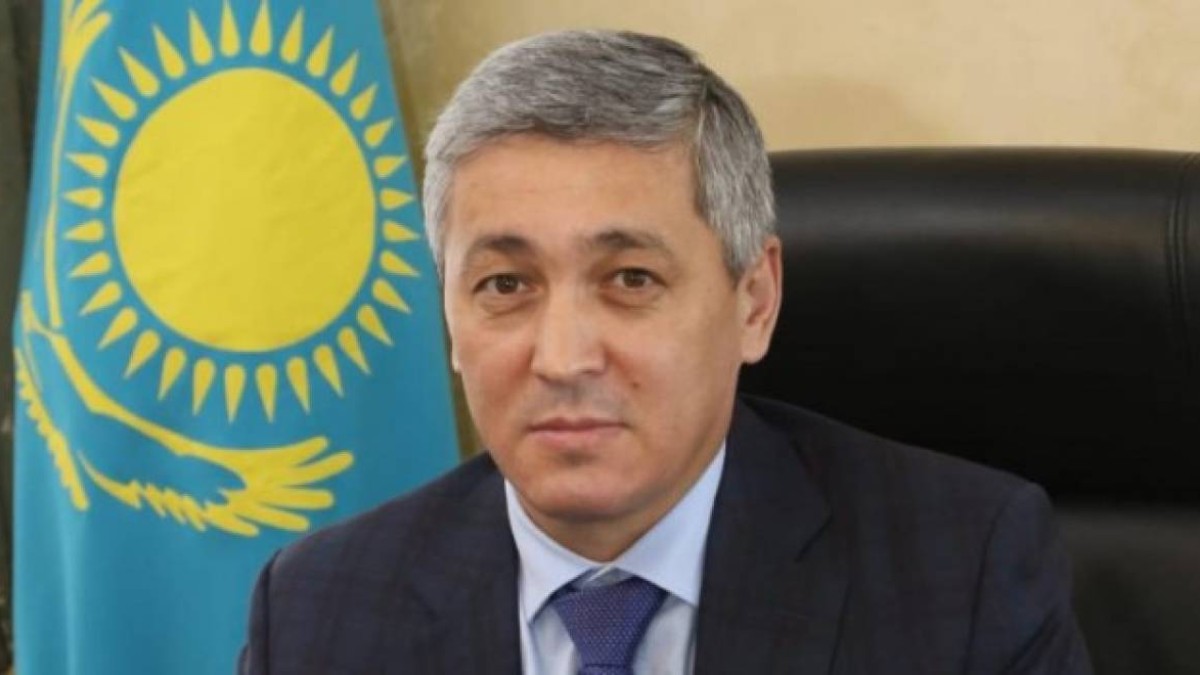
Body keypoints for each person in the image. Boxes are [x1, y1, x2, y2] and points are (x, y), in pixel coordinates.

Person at [239, 30, 1092, 674]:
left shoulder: (961, 571)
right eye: (505, 284)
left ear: (754, 301)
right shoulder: (319, 611)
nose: (563, 357)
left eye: (630, 279)